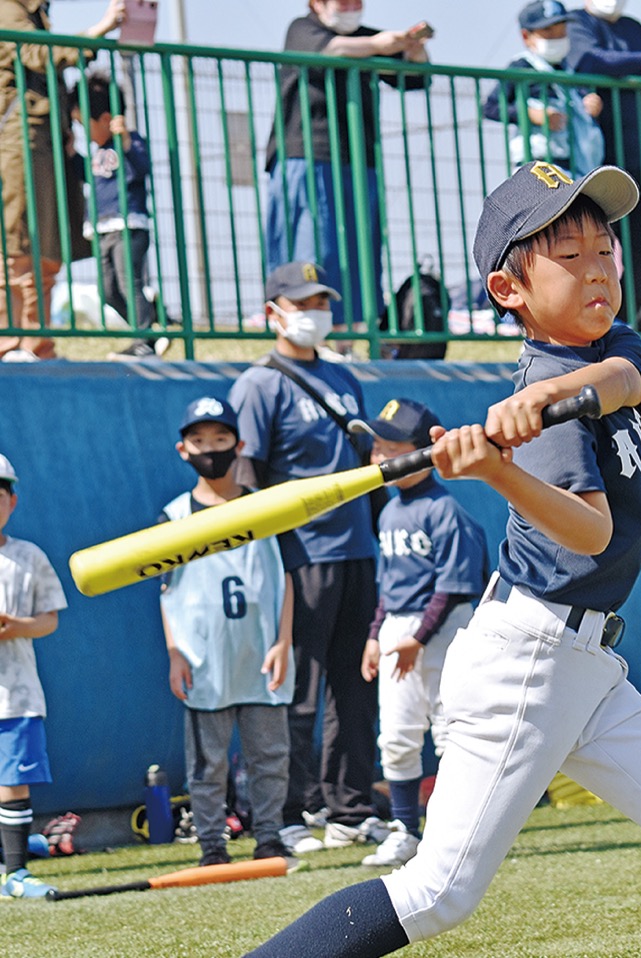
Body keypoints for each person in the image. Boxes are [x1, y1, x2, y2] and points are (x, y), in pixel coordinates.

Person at [247, 160, 641, 957]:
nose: (599, 269)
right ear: (509, 291)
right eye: (570, 257)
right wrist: (496, 465)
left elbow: (629, 376)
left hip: (586, 660)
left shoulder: (598, 356)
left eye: (607, 251)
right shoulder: (550, 398)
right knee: (438, 892)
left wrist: (540, 401)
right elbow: (590, 535)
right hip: (526, 660)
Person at [227, 261, 386, 857]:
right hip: (299, 556)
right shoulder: (258, 384)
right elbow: (249, 480)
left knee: (354, 685)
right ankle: (289, 811)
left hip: (357, 549)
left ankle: (348, 807)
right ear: (273, 312)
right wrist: (267, 561)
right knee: (297, 689)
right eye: (302, 302)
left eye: (321, 300)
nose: (314, 311)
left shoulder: (346, 376)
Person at [349, 398, 488, 868]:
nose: (381, 458)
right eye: (376, 448)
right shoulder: (388, 513)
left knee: (454, 731)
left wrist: (418, 638)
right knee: (398, 733)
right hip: (399, 628)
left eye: (393, 448)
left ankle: (458, 830)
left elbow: (455, 586)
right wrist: (376, 633)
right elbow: (390, 586)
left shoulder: (444, 509)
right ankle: (407, 829)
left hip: (443, 628)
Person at [159, 398, 295, 868]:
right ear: (183, 449)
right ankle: (212, 845)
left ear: (238, 445)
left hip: (259, 651)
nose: (210, 450)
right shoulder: (174, 516)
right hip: (204, 658)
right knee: (207, 762)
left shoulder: (267, 507)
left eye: (220, 440)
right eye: (200, 441)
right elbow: (166, 590)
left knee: (269, 755)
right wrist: (175, 652)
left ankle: (270, 838)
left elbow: (286, 575)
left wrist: (283, 640)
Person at [264, 0, 432, 336]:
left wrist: (413, 49)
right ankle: (301, 330)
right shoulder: (302, 28)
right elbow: (333, 49)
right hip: (307, 154)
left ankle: (352, 334)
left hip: (358, 159)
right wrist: (380, 45)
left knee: (362, 253)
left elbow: (415, 78)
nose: (352, 7)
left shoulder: (370, 37)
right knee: (311, 248)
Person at [0, 0, 125, 362]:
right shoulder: (8, 8)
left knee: (47, 243)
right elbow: (38, 54)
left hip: (47, 137)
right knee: (17, 238)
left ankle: (38, 344)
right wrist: (97, 31)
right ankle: (10, 342)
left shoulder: (35, 12)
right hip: (19, 136)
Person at [566, 0, 641, 331]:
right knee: (586, 245)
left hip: (637, 160)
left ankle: (622, 328)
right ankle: (579, 325)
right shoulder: (577, 23)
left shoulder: (635, 29)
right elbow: (589, 60)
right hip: (593, 163)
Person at [0, 453, 67, 899]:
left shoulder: (28, 556)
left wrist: (13, 626)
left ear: (12, 501)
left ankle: (16, 872)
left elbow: (49, 620)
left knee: (12, 780)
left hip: (16, 693)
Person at [73, 77, 163, 361]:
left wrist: (124, 139)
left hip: (128, 224)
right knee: (108, 290)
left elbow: (142, 166)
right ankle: (151, 327)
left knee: (129, 282)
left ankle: (144, 341)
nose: (83, 131)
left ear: (106, 119)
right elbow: (87, 174)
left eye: (84, 124)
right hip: (101, 228)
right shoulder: (97, 152)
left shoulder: (129, 142)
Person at [482, 0, 604, 177]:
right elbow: (490, 107)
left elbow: (583, 103)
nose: (557, 36)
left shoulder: (569, 70)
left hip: (574, 165)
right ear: (526, 36)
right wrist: (530, 114)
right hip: (536, 166)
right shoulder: (521, 67)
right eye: (548, 31)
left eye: (561, 29)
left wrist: (592, 105)